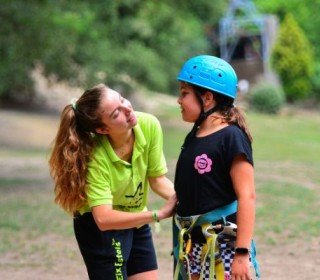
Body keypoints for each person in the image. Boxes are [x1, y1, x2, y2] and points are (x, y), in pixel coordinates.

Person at [49, 83, 177, 280]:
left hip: (135, 217)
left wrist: (190, 200)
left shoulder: (149, 125)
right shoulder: (95, 157)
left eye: (122, 99)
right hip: (100, 228)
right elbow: (104, 219)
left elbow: (157, 179)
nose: (128, 109)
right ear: (102, 129)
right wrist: (157, 214)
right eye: (116, 113)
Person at [172, 55, 260, 280]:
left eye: (184, 93)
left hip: (224, 247)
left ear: (207, 98)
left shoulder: (231, 137)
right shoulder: (195, 133)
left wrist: (241, 254)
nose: (178, 101)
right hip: (196, 246)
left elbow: (247, 196)